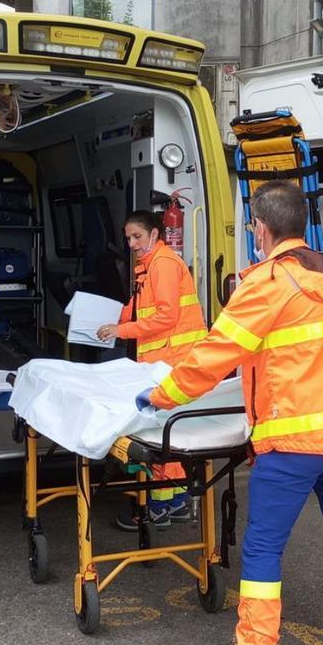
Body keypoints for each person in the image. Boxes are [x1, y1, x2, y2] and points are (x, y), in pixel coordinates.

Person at [136, 180, 323, 645]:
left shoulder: (267, 283)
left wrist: (160, 395)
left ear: (260, 227)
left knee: (262, 554)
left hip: (293, 443)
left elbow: (213, 356)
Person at [96, 210, 208, 528]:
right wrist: (108, 319)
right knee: (163, 433)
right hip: (165, 360)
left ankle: (161, 506)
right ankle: (175, 502)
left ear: (155, 235)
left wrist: (121, 331)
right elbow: (137, 308)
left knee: (162, 436)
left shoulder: (163, 265)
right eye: (128, 237)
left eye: (137, 237)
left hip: (174, 361)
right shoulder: (149, 266)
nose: (131, 243)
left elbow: (166, 317)